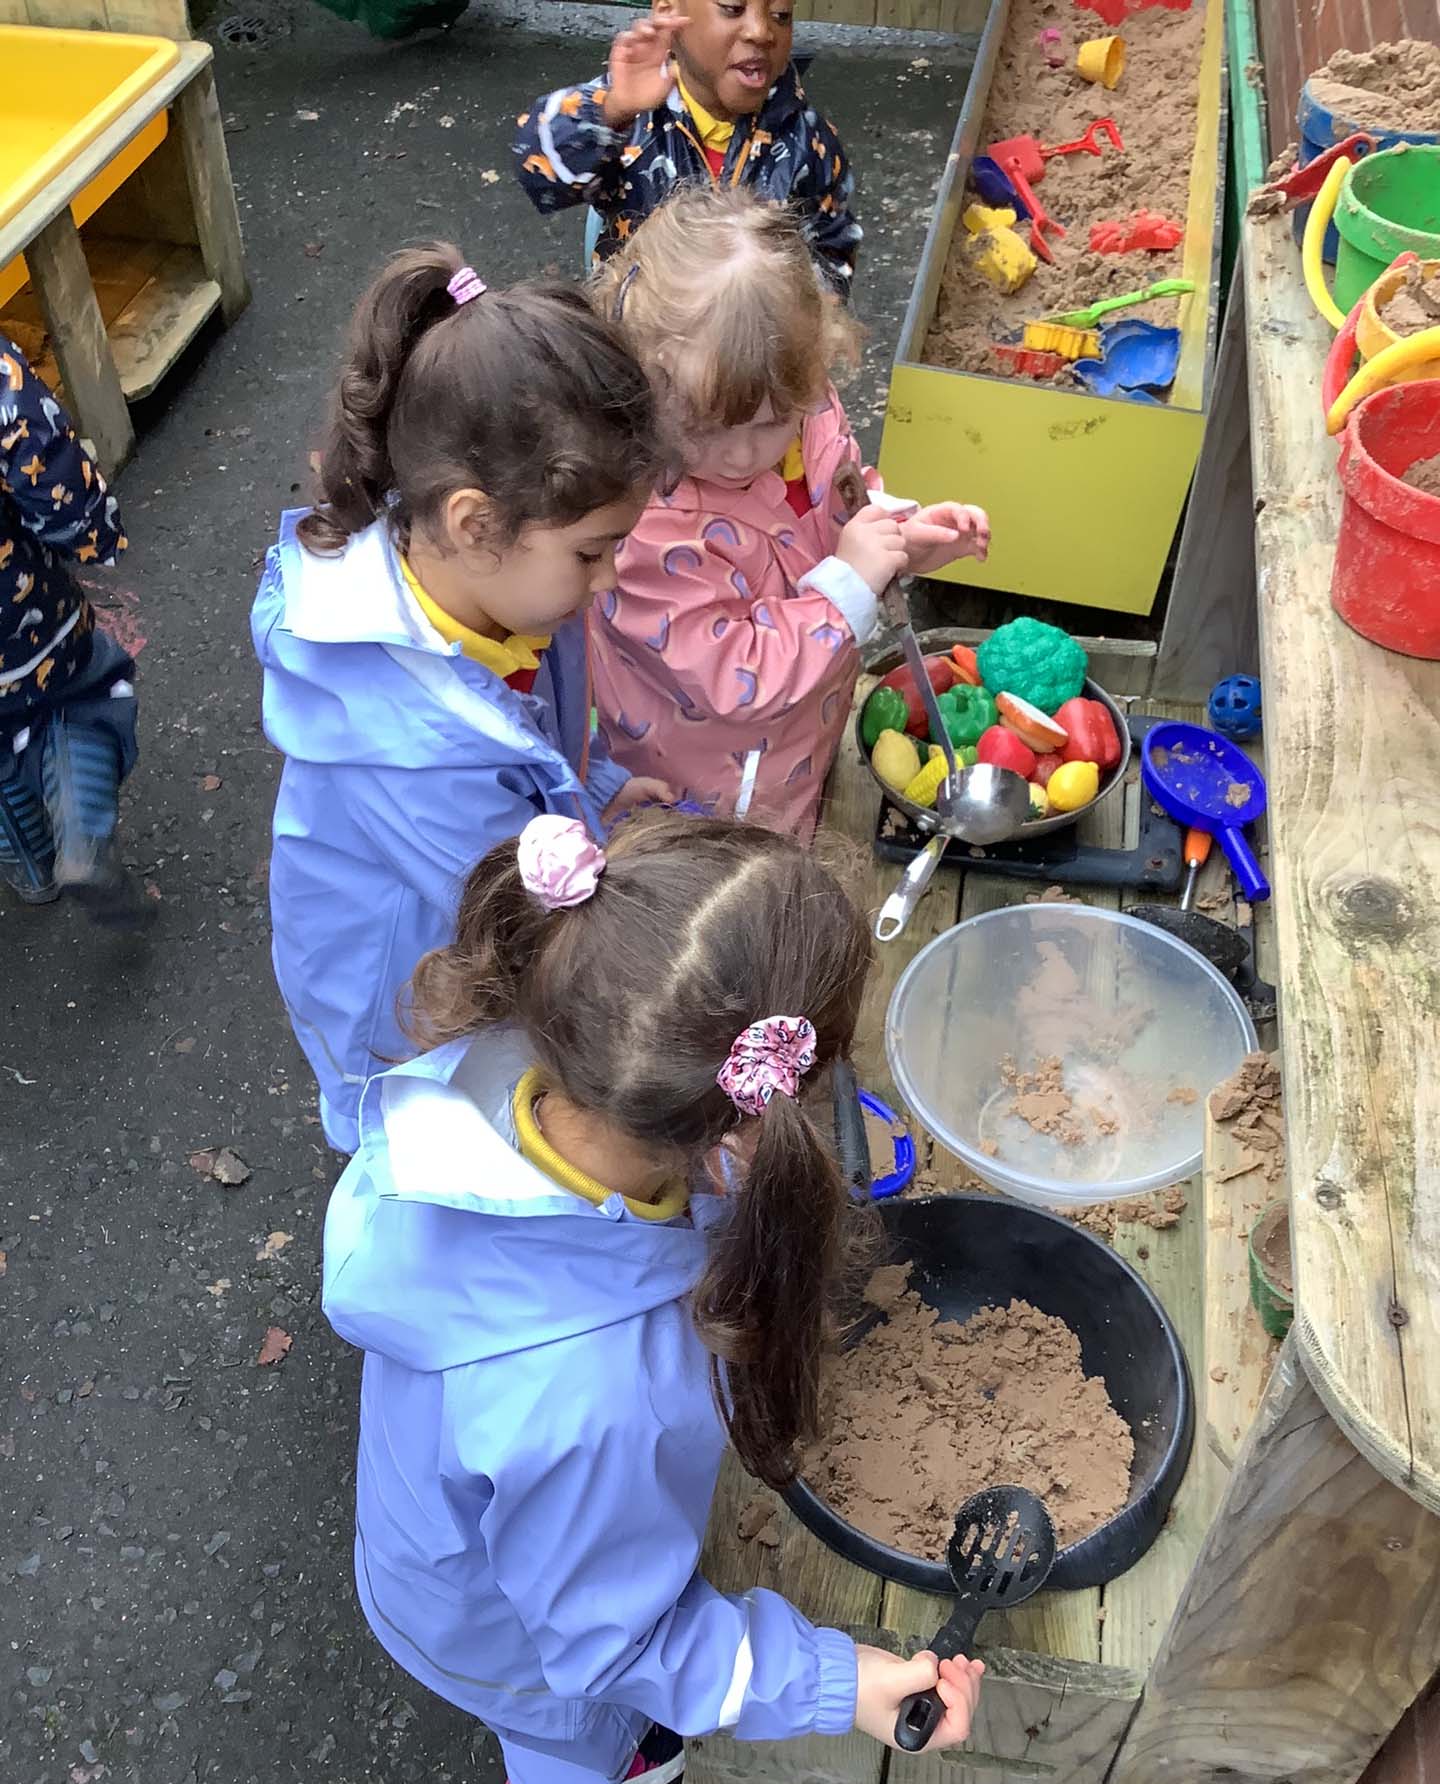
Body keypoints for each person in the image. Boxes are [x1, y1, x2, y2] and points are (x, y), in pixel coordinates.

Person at [323, 809, 985, 1784]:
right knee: (573, 1732)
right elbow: (616, 1648)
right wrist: (841, 1680)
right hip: (511, 1641)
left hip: (436, 1544)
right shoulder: (600, 1407)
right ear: (752, 1121)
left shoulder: (487, 1089)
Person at [251, 246, 670, 1156]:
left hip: (451, 929)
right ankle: (387, 1191)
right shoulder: (408, 741)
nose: (610, 579)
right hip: (395, 991)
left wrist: (593, 799)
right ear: (476, 525)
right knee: (410, 1125)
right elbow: (518, 907)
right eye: (593, 551)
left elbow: (536, 750)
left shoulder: (504, 597)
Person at [588, 190, 990, 838]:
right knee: (739, 885)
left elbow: (840, 499)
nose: (744, 453)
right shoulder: (648, 527)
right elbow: (732, 677)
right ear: (646, 386)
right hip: (714, 787)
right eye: (704, 428)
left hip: (798, 734)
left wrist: (899, 535)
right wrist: (848, 588)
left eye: (772, 423)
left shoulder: (805, 410)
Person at [512, 0, 860, 295]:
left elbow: (833, 245)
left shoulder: (808, 138)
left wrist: (803, 322)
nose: (761, 31)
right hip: (637, 340)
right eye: (732, 8)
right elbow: (539, 177)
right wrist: (612, 111)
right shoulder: (632, 110)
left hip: (755, 342)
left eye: (781, 15)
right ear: (668, 11)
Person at [0, 333, 150, 928]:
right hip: (23, 621)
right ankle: (82, 828)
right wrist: (94, 533)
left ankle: (29, 864)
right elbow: (42, 460)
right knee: (77, 695)